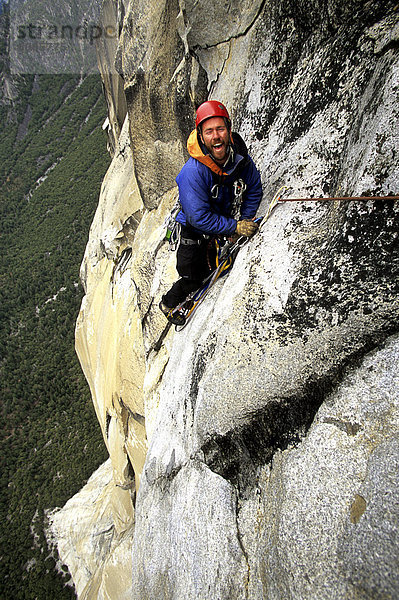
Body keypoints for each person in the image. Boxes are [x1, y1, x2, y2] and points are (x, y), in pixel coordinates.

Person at [160, 100, 263, 325]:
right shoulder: (193, 172)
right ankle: (167, 303)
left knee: (214, 264)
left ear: (229, 128)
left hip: (218, 220)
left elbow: (254, 187)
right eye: (209, 131)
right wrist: (234, 227)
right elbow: (198, 217)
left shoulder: (238, 156)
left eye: (220, 129)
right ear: (201, 136)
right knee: (192, 277)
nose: (216, 136)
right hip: (192, 231)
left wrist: (245, 219)